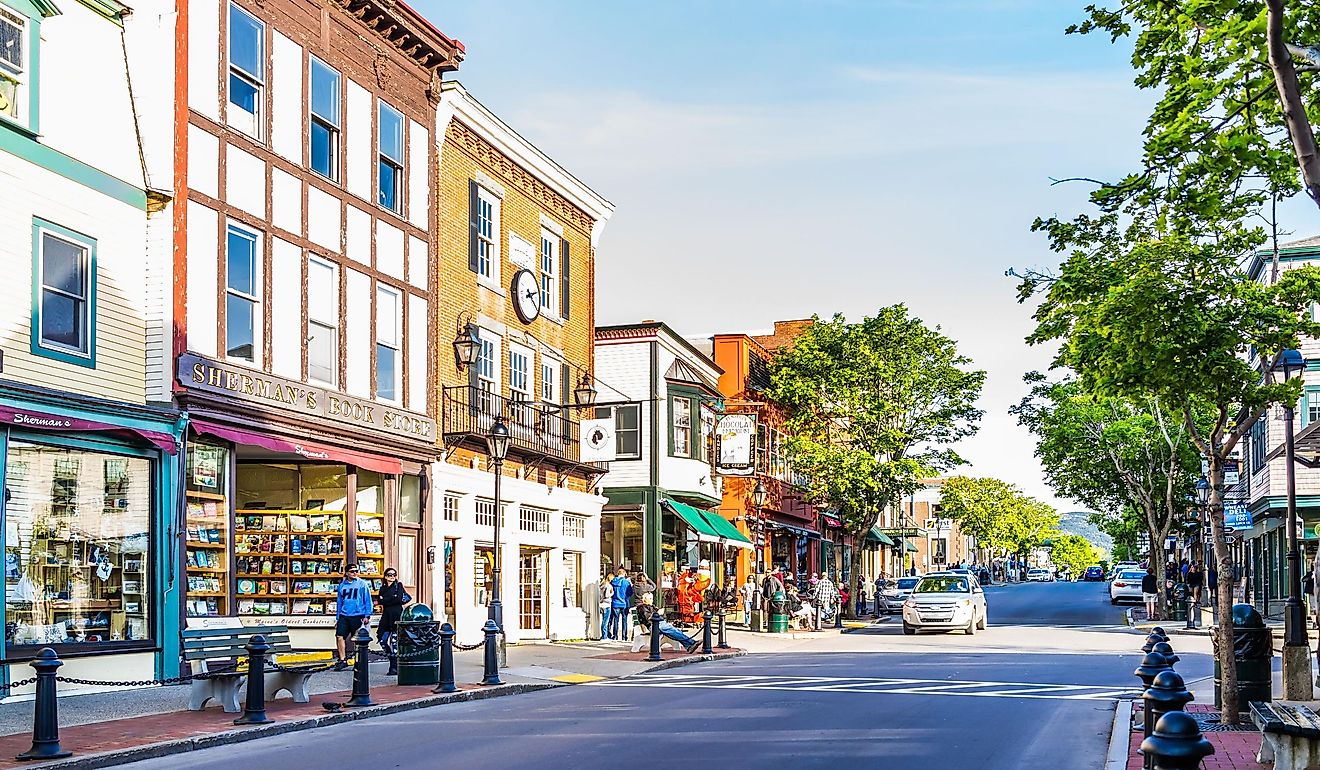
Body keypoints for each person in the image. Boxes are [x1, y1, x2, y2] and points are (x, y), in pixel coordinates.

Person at [334, 563, 374, 670]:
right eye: (352, 571)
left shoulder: (362, 584)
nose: (355, 573)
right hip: (344, 614)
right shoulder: (342, 585)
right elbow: (339, 602)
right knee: (339, 636)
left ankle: (358, 661)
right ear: (347, 573)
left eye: (356, 571)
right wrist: (338, 617)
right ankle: (342, 660)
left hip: (358, 615)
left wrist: (367, 615)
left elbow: (368, 600)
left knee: (357, 639)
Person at [635, 593, 701, 653]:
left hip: (660, 623)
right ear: (645, 599)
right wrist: (658, 613)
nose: (651, 600)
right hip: (654, 625)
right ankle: (691, 643)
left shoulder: (652, 606)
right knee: (673, 631)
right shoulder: (642, 607)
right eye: (650, 598)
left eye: (652, 598)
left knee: (675, 631)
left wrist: (660, 612)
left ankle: (689, 645)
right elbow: (649, 618)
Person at [376, 567, 410, 676]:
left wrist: (387, 600)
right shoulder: (382, 588)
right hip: (386, 617)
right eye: (389, 575)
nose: (392, 577)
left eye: (394, 575)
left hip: (397, 616)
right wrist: (390, 599)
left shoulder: (398, 586)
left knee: (395, 642)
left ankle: (394, 666)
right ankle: (391, 660)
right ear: (385, 576)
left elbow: (398, 599)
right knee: (382, 639)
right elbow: (381, 600)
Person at [608, 567, 633, 640]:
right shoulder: (626, 582)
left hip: (615, 603)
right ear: (624, 574)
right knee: (624, 621)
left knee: (616, 620)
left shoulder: (613, 582)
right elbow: (630, 593)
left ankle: (615, 636)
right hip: (624, 603)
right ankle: (624, 636)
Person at [598, 572, 614, 640]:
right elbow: (607, 595)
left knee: (603, 621)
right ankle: (604, 637)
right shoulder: (608, 586)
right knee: (606, 622)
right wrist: (612, 593)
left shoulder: (602, 585)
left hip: (601, 604)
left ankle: (604, 635)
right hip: (607, 604)